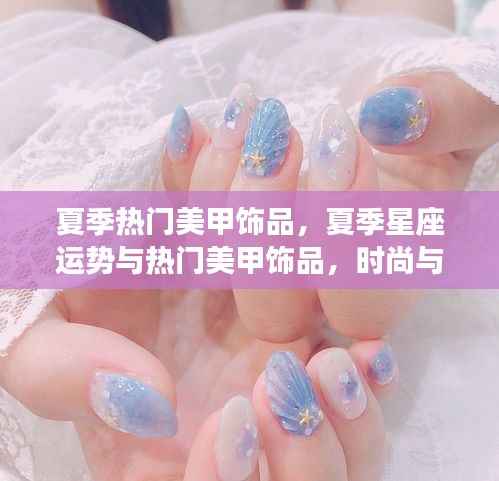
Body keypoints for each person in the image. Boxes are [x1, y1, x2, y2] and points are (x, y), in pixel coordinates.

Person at [0, 1, 499, 481]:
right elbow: (35, 57)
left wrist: (400, 160)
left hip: (389, 345)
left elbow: (399, 29)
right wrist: (39, 239)